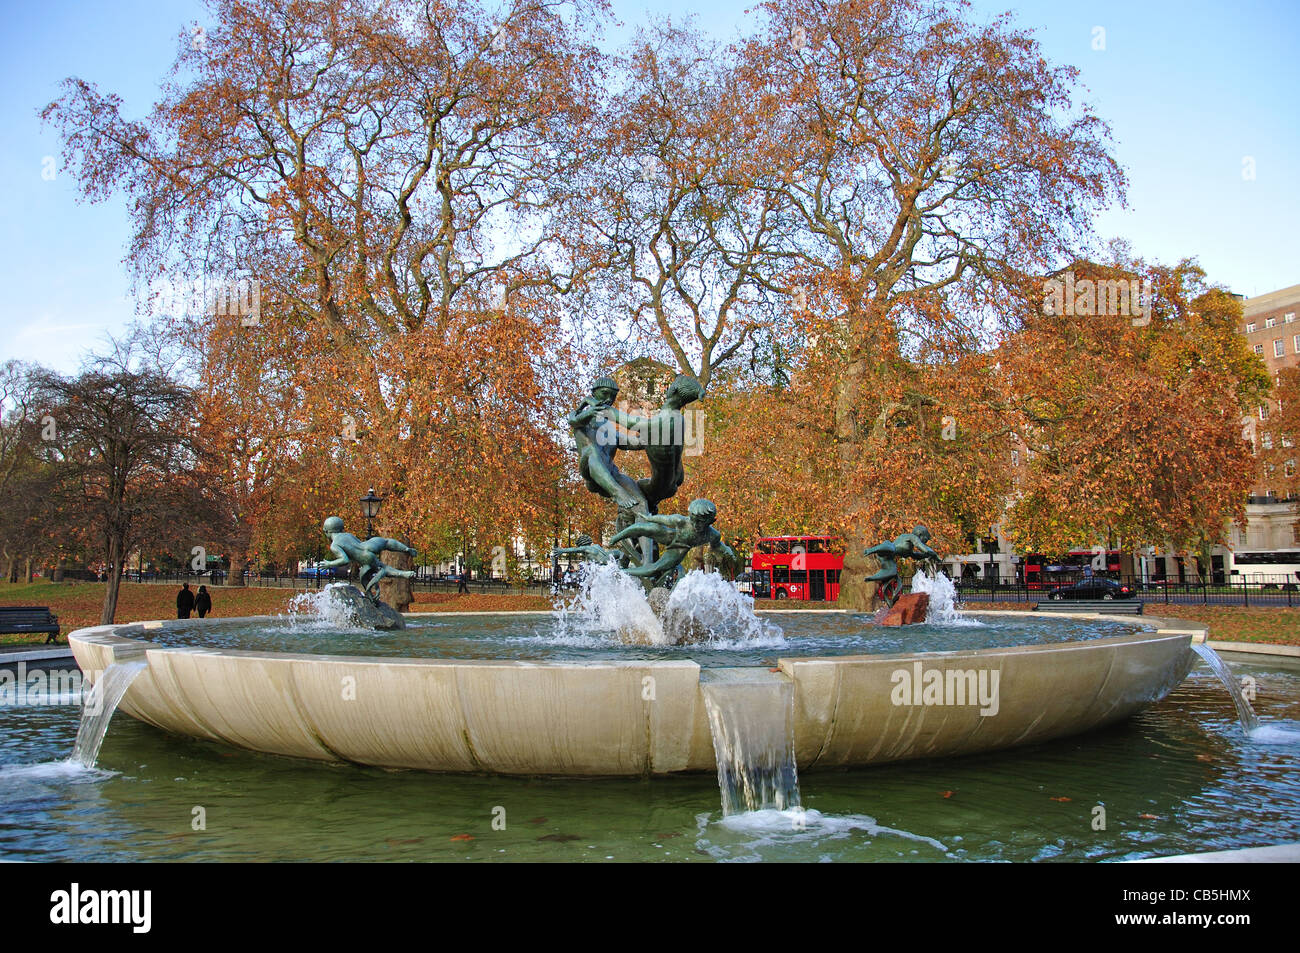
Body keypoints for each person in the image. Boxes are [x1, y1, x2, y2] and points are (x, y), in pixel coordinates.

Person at [318, 516, 419, 600]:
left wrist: (329, 564)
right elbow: (357, 544)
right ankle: (406, 549)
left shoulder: (334, 545)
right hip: (368, 545)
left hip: (364, 558)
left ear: (326, 531)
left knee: (377, 571)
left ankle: (402, 574)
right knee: (386, 542)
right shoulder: (347, 535)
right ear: (341, 529)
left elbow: (344, 560)